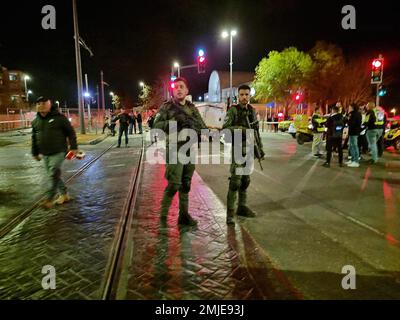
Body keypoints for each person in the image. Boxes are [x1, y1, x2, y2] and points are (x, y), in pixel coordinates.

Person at [153, 77, 207, 226]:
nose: (178, 89)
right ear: (173, 90)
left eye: (181, 86)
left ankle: (183, 216)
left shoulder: (192, 108)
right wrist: (175, 122)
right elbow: (156, 125)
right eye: (176, 87)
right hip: (174, 149)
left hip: (190, 148)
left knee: (186, 183)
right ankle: (163, 218)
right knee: (174, 184)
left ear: (187, 90)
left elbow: (202, 126)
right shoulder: (167, 107)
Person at [223, 84, 265, 225]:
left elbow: (256, 131)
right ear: (237, 96)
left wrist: (260, 148)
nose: (244, 97)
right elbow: (225, 130)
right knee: (235, 181)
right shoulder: (233, 111)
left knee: (245, 180)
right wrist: (241, 129)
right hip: (237, 148)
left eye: (247, 94)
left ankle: (242, 207)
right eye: (242, 94)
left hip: (250, 149)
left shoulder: (252, 111)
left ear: (250, 96)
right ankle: (230, 213)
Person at [31, 97, 78, 209]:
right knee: (54, 175)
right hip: (45, 153)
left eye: (43, 104)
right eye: (39, 104)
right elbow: (34, 138)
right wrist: (35, 152)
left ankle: (49, 199)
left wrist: (73, 147)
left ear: (49, 105)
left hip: (59, 151)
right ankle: (64, 194)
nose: (41, 106)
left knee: (53, 174)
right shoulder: (35, 121)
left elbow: (70, 133)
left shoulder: (60, 118)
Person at [346, 103, 362, 168]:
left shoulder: (355, 114)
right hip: (352, 132)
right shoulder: (354, 114)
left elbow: (352, 123)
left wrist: (347, 120)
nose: (348, 108)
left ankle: (356, 161)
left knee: (354, 146)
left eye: (349, 107)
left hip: (354, 132)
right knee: (351, 146)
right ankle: (352, 159)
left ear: (352, 107)